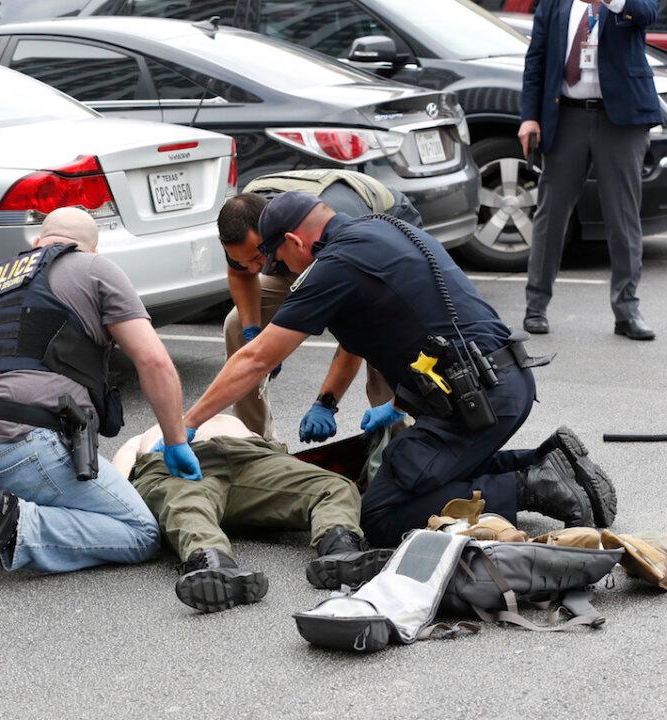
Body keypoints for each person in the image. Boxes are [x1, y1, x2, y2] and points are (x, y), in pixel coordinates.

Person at [172, 191, 618, 549]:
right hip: (499, 383)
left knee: (380, 515)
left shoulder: (333, 266)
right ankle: (549, 461)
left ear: (293, 241)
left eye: (278, 260)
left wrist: (186, 426)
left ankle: (530, 485)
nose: (280, 271)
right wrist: (382, 402)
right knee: (424, 472)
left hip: (474, 402)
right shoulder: (385, 227)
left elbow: (256, 359)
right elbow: (376, 328)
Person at [0, 207, 201, 586]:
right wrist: (175, 439)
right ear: (91, 250)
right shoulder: (94, 268)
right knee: (140, 532)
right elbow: (154, 361)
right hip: (25, 445)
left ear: (37, 243)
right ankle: (18, 526)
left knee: (40, 488)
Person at [219, 169, 422, 441]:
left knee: (381, 335)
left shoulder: (330, 234)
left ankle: (398, 439)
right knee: (235, 325)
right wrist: (253, 334)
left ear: (277, 236)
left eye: (257, 257)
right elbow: (240, 274)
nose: (255, 268)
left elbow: (356, 334)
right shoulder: (240, 226)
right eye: (245, 260)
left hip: (385, 224)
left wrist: (325, 403)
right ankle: (256, 441)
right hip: (295, 253)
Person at [112, 414, 389, 613]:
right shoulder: (142, 438)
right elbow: (119, 483)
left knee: (332, 485)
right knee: (184, 505)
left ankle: (341, 548)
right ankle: (212, 565)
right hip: (173, 465)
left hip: (253, 458)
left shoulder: (237, 423)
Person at [519, 0, 661, 339]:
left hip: (621, 120)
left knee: (622, 216)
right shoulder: (555, 4)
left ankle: (627, 311)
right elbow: (536, 57)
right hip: (566, 115)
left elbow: (645, 14)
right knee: (551, 213)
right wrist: (529, 116)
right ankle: (535, 306)